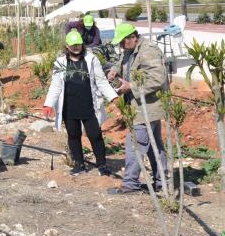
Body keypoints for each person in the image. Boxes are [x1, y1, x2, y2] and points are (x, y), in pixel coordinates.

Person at [42, 30, 118, 175]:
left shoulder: (91, 59)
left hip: (89, 105)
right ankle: (79, 164)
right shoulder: (61, 62)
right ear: (67, 46)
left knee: (95, 135)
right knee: (73, 135)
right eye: (73, 45)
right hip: (69, 106)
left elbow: (101, 81)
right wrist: (48, 103)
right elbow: (56, 85)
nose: (76, 47)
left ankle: (102, 164)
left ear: (82, 44)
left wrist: (112, 97)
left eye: (78, 44)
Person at [106, 24, 168, 194]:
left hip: (147, 107)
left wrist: (131, 86)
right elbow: (123, 62)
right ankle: (162, 182)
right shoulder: (131, 50)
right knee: (154, 146)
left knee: (135, 145)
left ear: (133, 37)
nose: (121, 46)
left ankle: (130, 184)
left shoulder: (148, 50)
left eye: (123, 42)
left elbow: (158, 78)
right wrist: (114, 70)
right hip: (139, 107)